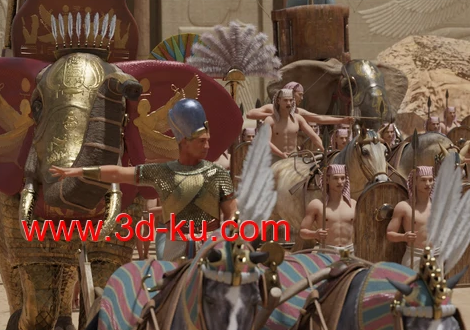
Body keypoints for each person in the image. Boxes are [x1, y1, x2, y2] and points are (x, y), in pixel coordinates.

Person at [50, 99, 236, 261]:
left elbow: (231, 215)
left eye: (207, 140)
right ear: (184, 142)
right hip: (176, 249)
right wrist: (79, 171)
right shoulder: (163, 172)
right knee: (167, 287)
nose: (207, 146)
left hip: (213, 248)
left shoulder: (218, 173)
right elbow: (117, 173)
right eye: (201, 141)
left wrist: (224, 239)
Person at [300, 164, 356, 257]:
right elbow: (302, 232)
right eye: (335, 178)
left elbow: (362, 231)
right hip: (327, 251)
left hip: (349, 252)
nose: (340, 182)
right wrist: (315, 234)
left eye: (342, 178)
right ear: (327, 180)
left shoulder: (353, 204)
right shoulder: (317, 205)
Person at [387, 166, 435, 268]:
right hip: (415, 256)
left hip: (436, 256)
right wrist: (404, 237)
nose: (428, 184)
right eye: (423, 180)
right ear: (415, 182)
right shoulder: (404, 207)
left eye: (430, 180)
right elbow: (390, 234)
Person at [247, 81, 353, 127]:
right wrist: (277, 115)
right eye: (300, 95)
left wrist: (342, 120)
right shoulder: (272, 108)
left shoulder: (297, 112)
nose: (302, 98)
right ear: (292, 93)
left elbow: (319, 118)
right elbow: (250, 114)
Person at [262, 88, 324, 159]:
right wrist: (281, 154)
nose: (288, 103)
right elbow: (266, 141)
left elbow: (313, 136)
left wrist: (324, 150)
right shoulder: (270, 120)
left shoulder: (298, 119)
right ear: (278, 101)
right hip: (275, 158)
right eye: (285, 100)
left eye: (291, 100)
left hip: (293, 158)